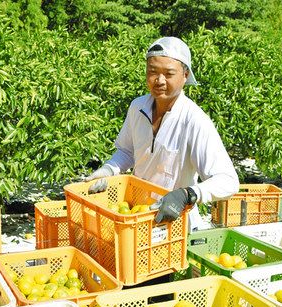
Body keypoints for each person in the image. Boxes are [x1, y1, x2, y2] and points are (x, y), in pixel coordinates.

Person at [85, 36, 238, 231]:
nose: (159, 81)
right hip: (137, 214)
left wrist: (187, 194)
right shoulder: (137, 107)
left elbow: (228, 181)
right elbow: (127, 151)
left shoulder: (194, 120)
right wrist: (108, 169)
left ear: (185, 75)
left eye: (169, 73)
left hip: (175, 223)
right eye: (153, 72)